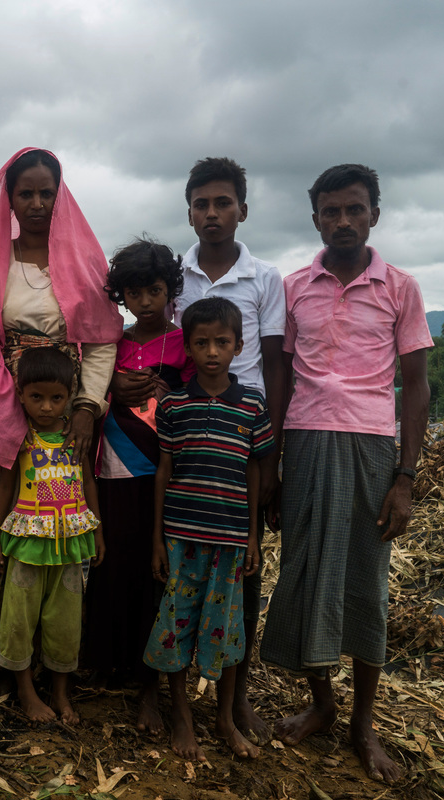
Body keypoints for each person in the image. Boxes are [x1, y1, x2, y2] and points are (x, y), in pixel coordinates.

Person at [259, 164, 432, 783]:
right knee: (305, 572)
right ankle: (322, 706)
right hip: (304, 441)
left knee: (365, 581)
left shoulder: (399, 288)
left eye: (354, 209)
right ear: (315, 220)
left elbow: (415, 386)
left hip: (369, 447)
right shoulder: (294, 285)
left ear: (374, 216)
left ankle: (363, 724)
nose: (342, 221)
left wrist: (405, 477)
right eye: (330, 211)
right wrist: (272, 464)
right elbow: (280, 377)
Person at [116, 157, 285, 741]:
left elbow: (277, 364)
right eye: (201, 204)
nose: (212, 213)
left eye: (223, 203)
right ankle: (163, 699)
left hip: (238, 452)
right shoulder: (174, 275)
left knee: (236, 600)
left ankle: (233, 708)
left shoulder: (266, 279)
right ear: (188, 211)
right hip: (179, 451)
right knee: (167, 592)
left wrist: (272, 456)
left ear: (242, 207)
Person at [0, 148, 122, 682]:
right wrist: (2, 410)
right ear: (9, 200)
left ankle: (55, 663)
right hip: (3, 402)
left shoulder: (82, 261)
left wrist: (83, 408)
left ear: (60, 195)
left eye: (45, 192)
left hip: (63, 413)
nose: (35, 203)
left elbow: (101, 342)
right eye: (24, 193)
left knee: (60, 523)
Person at [143, 297, 274, 762]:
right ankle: (180, 714)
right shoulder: (174, 405)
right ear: (189, 347)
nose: (212, 351)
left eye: (222, 342)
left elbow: (255, 471)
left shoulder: (253, 404)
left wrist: (253, 536)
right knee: (176, 625)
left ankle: (223, 719)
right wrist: (158, 538)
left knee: (227, 630)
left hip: (230, 541)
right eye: (201, 342)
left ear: (239, 346)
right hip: (180, 538)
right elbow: (164, 470)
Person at [85, 237, 193, 734]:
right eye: (134, 292)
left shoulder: (187, 344)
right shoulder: (115, 343)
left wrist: (174, 394)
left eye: (154, 290)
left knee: (156, 574)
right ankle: (110, 662)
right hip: (112, 469)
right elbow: (90, 390)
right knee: (115, 563)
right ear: (121, 296)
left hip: (161, 475)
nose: (145, 301)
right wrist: (111, 387)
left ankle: (150, 679)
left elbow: (197, 400)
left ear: (171, 290)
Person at [0, 347, 103, 723]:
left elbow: (87, 483)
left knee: (65, 622)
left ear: (70, 396)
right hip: (27, 545)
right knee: (19, 619)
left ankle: (60, 693)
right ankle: (25, 690)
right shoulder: (19, 440)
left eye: (57, 398)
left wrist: (97, 532)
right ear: (20, 394)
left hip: (70, 546)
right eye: (37, 397)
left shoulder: (76, 439)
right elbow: (5, 489)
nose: (47, 407)